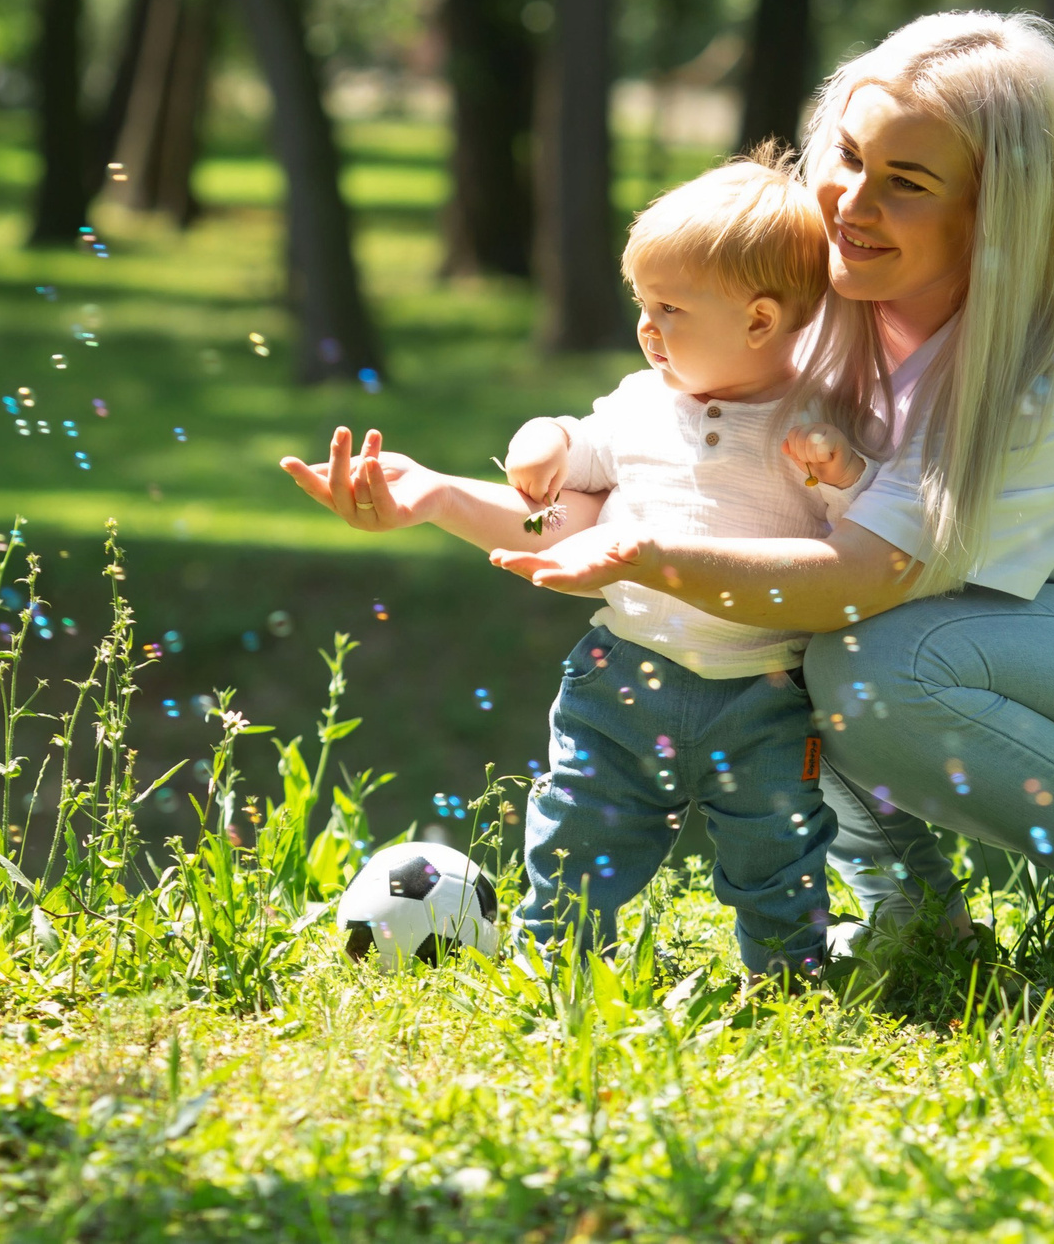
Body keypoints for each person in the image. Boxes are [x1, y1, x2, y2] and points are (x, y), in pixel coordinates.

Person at [495, 11, 1054, 974]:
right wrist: (442, 496)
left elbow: (855, 579)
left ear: (994, 209)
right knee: (805, 636)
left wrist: (653, 560)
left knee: (866, 657)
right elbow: (682, 479)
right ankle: (919, 924)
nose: (852, 201)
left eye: (907, 182)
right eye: (848, 156)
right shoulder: (844, 300)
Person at [281, 152, 872, 975]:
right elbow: (562, 491)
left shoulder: (818, 421)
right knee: (576, 829)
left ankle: (786, 970)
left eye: (669, 308)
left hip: (765, 695)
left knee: (776, 848)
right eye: (643, 304)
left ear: (760, 320)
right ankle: (556, 961)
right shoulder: (638, 405)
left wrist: (844, 472)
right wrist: (540, 440)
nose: (647, 327)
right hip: (624, 677)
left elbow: (863, 546)